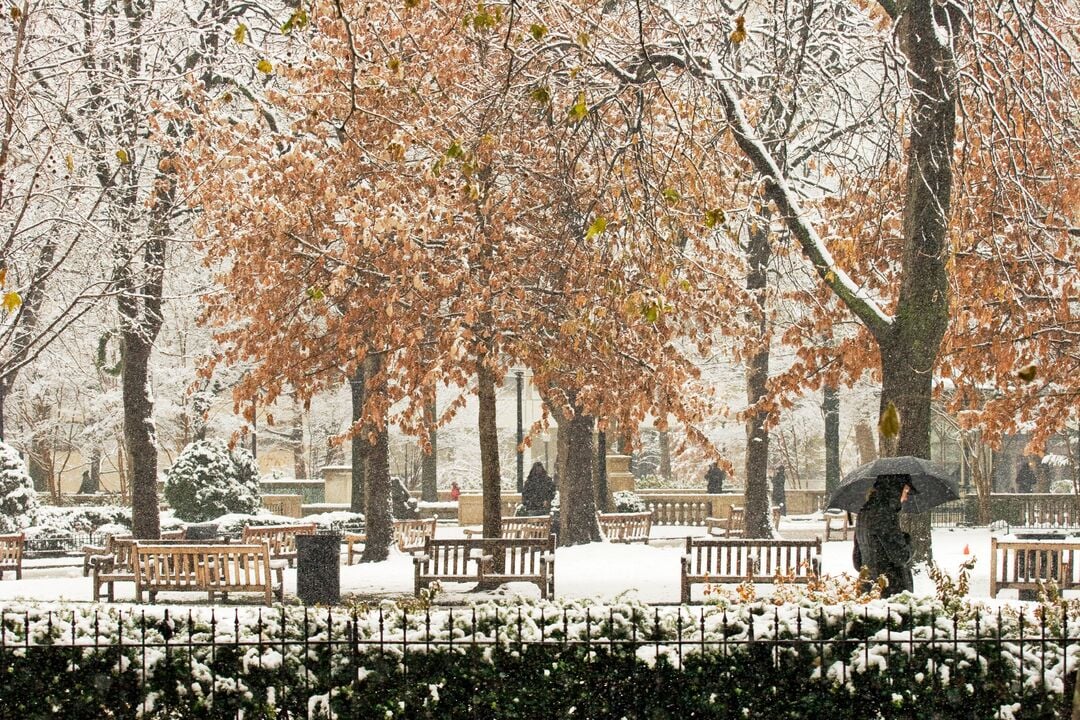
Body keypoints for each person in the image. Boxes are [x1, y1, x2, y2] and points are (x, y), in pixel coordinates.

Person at [853, 474, 915, 598]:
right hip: (890, 589)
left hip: (869, 586)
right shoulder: (885, 513)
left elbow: (857, 560)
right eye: (905, 491)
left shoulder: (864, 512)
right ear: (895, 490)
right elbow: (901, 556)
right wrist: (908, 542)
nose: (906, 497)